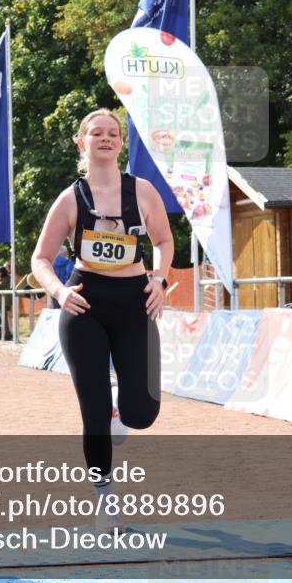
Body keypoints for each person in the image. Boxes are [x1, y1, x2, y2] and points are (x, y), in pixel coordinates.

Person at [31, 108, 173, 532]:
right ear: (82, 142)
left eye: (113, 133)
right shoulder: (70, 199)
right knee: (93, 412)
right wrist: (60, 293)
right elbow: (40, 259)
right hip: (84, 305)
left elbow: (165, 240)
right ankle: (106, 501)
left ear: (121, 144)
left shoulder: (142, 191)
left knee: (141, 413)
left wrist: (160, 279)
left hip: (135, 303)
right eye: (97, 133)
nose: (106, 138)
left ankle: (119, 410)